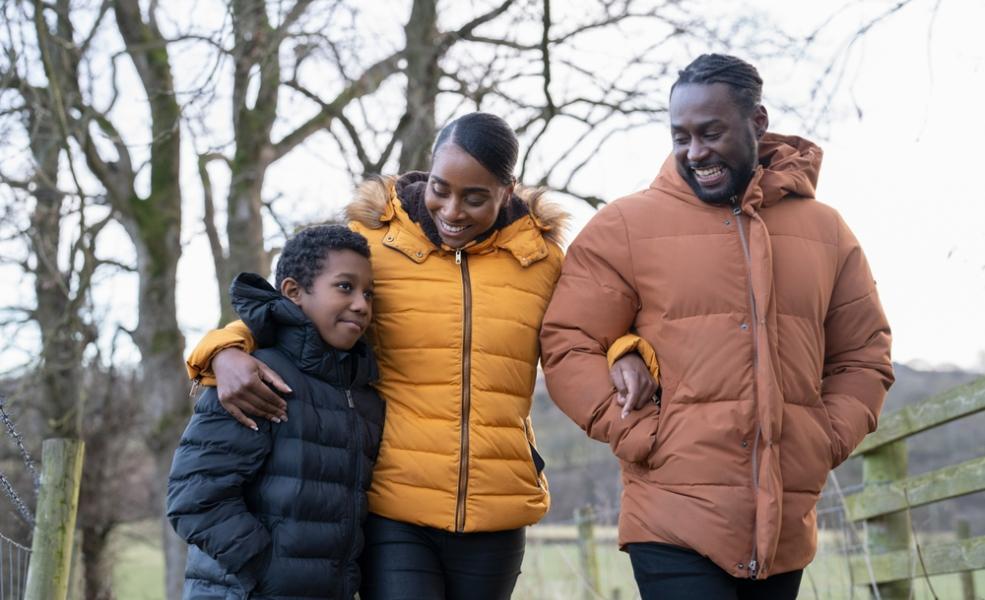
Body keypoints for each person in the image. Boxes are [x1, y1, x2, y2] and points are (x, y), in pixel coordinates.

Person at [183, 112, 656, 599]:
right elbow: (298, 312)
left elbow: (588, 328)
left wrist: (625, 351)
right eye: (440, 188)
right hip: (395, 503)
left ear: (507, 189)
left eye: (475, 197)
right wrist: (222, 349)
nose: (452, 210)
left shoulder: (541, 262)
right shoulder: (375, 247)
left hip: (499, 503)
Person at [540, 54, 894, 600]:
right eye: (680, 136)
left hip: (784, 529)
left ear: (757, 123)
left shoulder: (827, 232)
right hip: (671, 522)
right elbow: (568, 342)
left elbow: (863, 357)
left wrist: (823, 439)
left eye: (710, 133)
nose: (694, 152)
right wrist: (636, 430)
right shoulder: (624, 227)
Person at [167, 225, 384, 599]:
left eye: (368, 293)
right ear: (294, 292)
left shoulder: (363, 397)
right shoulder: (253, 376)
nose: (361, 304)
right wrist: (266, 569)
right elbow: (194, 498)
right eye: (345, 287)